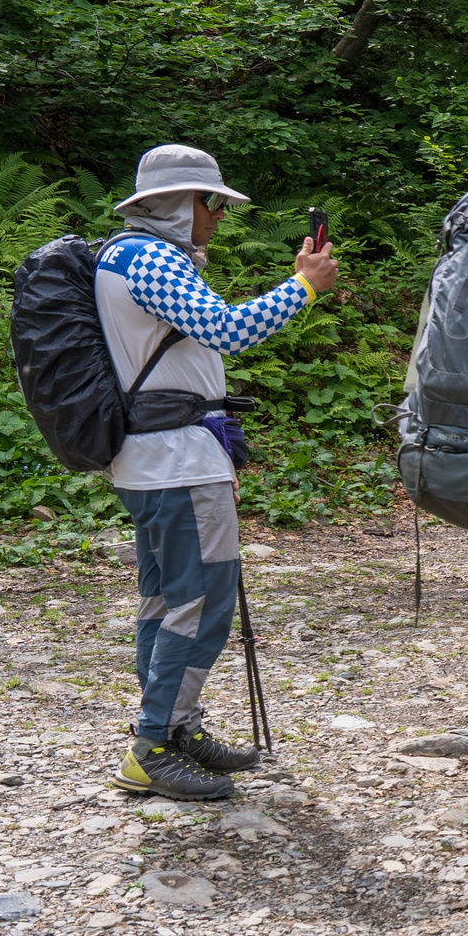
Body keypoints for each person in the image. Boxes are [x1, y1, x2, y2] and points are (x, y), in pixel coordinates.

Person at [95, 145, 338, 802]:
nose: (220, 215)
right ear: (176, 203)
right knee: (202, 600)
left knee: (165, 598)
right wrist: (305, 285)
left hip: (153, 458)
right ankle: (151, 745)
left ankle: (174, 728)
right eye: (212, 202)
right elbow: (227, 328)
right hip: (176, 460)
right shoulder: (150, 258)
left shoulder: (121, 255)